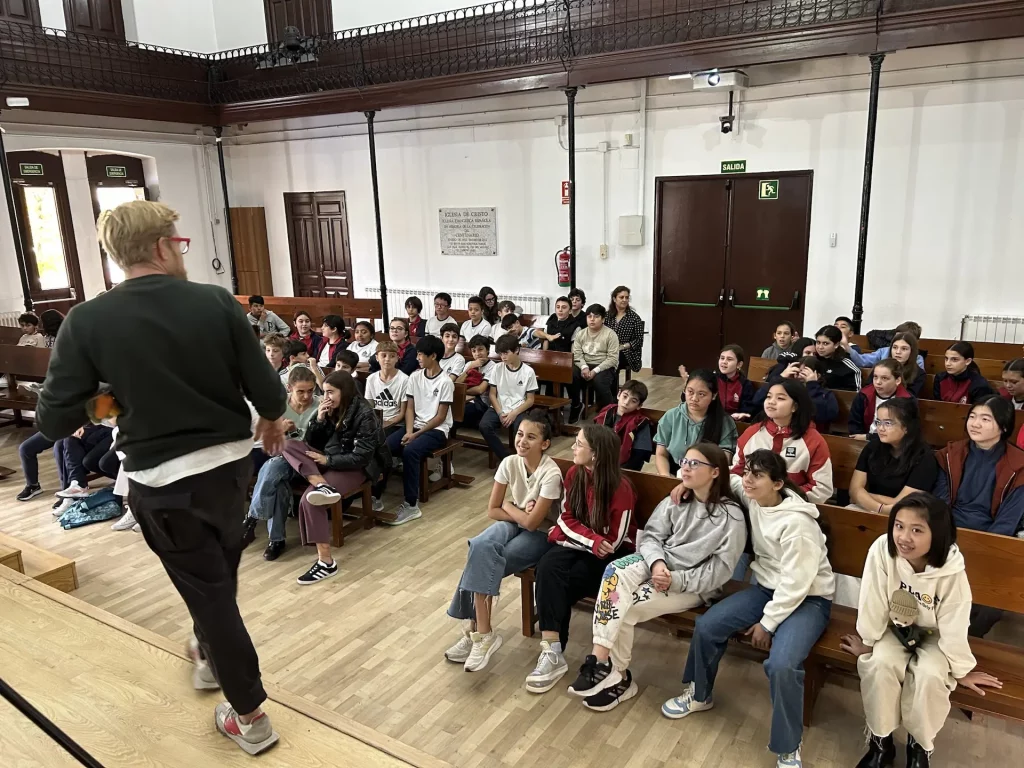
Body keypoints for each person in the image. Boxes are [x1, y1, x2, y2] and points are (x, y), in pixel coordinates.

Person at [35, 200, 286, 754]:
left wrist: (111, 403)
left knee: (211, 591)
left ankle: (250, 716)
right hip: (231, 472)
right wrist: (269, 422)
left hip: (163, 483)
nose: (182, 251)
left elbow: (54, 419)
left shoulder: (88, 320)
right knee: (215, 576)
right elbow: (269, 393)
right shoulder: (216, 302)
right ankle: (207, 651)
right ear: (158, 246)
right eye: (179, 242)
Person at [663, 449, 834, 768]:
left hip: (809, 599)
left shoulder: (798, 524)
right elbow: (712, 472)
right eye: (748, 472)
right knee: (707, 626)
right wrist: (684, 482)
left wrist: (768, 624)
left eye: (758, 475)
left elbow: (797, 583)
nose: (748, 479)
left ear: (778, 484)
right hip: (767, 589)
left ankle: (788, 745)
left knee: (782, 663)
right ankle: (700, 694)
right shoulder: (751, 492)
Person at [569, 443, 746, 711]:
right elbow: (651, 535)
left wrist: (676, 580)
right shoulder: (676, 499)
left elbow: (720, 571)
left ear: (715, 472)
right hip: (657, 564)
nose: (685, 467)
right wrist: (657, 563)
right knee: (614, 571)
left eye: (694, 464)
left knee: (626, 607)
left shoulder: (730, 517)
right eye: (684, 461)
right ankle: (601, 661)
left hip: (690, 584)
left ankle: (620, 679)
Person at [841, 494, 1001, 768]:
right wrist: (868, 642)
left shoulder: (950, 569)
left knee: (930, 675)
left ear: (936, 534)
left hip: (935, 636)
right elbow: (873, 600)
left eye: (917, 530)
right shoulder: (882, 550)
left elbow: (955, 621)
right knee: (879, 665)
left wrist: (961, 670)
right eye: (899, 526)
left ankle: (919, 747)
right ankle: (881, 743)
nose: (904, 537)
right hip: (895, 627)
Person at [444, 410, 561, 672]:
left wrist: (509, 505)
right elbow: (493, 510)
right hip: (513, 521)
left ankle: (477, 632)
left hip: (542, 534)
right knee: (480, 547)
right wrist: (512, 507)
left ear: (544, 444)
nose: (522, 441)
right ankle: (483, 634)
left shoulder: (551, 474)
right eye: (520, 434)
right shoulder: (509, 463)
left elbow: (534, 524)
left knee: (485, 559)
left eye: (531, 437)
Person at [526, 425, 637, 694]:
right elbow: (566, 518)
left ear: (596, 454)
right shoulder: (575, 473)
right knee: (548, 566)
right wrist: (586, 539)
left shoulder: (621, 488)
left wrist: (564, 536)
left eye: (579, 444)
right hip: (587, 545)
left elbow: (613, 543)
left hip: (611, 557)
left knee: (564, 579)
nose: (573, 448)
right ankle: (552, 651)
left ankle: (562, 651)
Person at [281, 370, 389, 585]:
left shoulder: (364, 415)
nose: (325, 397)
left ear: (345, 391)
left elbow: (361, 457)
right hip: (332, 457)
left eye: (330, 392)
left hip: (360, 467)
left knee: (309, 501)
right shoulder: (331, 409)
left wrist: (326, 461)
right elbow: (314, 442)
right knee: (287, 443)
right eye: (325, 392)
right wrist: (319, 420)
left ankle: (326, 562)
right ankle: (322, 485)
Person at [934, 395, 1024, 637]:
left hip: (989, 538)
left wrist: (978, 549)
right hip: (948, 531)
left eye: (985, 419)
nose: (975, 424)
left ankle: (966, 641)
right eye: (972, 417)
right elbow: (939, 504)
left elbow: (1007, 521)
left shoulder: (1019, 466)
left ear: (1003, 426)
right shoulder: (951, 454)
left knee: (991, 594)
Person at [243, 367, 322, 560]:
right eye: (300, 391)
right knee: (277, 481)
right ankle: (276, 540)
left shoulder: (320, 407)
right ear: (289, 388)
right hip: (280, 459)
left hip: (307, 463)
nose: (306, 396)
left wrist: (293, 434)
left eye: (310, 390)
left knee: (272, 467)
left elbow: (315, 445)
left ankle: (252, 518)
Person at [384, 336, 454, 525]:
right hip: (414, 426)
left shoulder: (445, 382)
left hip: (437, 430)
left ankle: (411, 505)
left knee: (411, 451)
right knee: (384, 447)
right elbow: (410, 408)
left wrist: (415, 435)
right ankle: (375, 495)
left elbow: (440, 417)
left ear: (433, 356)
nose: (418, 358)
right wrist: (408, 431)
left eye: (421, 355)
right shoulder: (415, 376)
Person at [732, 380, 834, 504]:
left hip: (792, 509)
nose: (771, 401)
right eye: (769, 396)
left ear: (795, 406)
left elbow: (821, 488)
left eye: (780, 398)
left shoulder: (814, 441)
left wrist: (778, 498)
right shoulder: (751, 433)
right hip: (750, 504)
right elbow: (736, 473)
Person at [850, 399, 939, 516]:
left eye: (888, 423)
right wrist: (880, 508)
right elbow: (854, 490)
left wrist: (864, 496)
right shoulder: (872, 447)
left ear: (906, 427)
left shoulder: (924, 458)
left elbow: (903, 503)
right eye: (878, 422)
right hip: (869, 508)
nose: (880, 428)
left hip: (906, 515)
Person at [655, 368, 737, 476]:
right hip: (674, 474)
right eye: (690, 392)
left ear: (714, 395)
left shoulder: (724, 422)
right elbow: (661, 454)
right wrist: (666, 476)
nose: (694, 398)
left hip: (707, 477)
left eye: (701, 394)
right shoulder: (671, 416)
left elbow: (723, 461)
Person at [479, 335, 538, 460]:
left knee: (521, 429)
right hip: (499, 406)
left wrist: (514, 413)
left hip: (518, 408)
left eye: (506, 353)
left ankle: (522, 460)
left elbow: (530, 400)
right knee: (484, 425)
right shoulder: (497, 368)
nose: (503, 357)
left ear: (516, 350)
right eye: (500, 354)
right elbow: (492, 394)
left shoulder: (528, 371)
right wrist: (500, 413)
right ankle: (505, 458)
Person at [568, 304, 620, 423]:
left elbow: (612, 359)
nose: (592, 319)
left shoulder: (610, 334)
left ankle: (609, 412)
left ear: (603, 319)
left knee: (599, 382)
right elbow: (576, 353)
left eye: (596, 317)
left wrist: (595, 371)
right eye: (589, 316)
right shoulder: (581, 333)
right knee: (570, 375)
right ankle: (576, 405)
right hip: (584, 364)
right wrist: (584, 367)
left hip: (604, 366)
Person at [594, 380, 655, 470]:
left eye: (633, 401)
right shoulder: (606, 412)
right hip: (599, 463)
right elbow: (592, 441)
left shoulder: (640, 422)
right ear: (619, 394)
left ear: (639, 405)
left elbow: (639, 456)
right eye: (625, 396)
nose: (626, 402)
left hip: (625, 469)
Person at [849, 358, 913, 439]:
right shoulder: (863, 395)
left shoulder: (907, 400)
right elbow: (854, 427)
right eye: (875, 377)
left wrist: (868, 437)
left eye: (884, 378)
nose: (878, 382)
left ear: (897, 380)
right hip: (865, 443)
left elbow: (905, 433)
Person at [365, 341, 409, 440]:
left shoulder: (404, 379)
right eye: (383, 356)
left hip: (396, 424)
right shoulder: (371, 379)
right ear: (377, 358)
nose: (387, 359)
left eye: (392, 356)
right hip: (377, 422)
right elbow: (369, 407)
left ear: (397, 358)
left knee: (378, 440)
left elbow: (402, 413)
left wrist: (387, 423)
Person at [453, 334, 493, 435]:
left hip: (482, 404)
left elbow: (480, 390)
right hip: (466, 400)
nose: (477, 354)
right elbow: (456, 384)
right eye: (474, 351)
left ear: (487, 350)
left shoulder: (493, 367)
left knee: (456, 413)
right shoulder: (470, 364)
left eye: (480, 350)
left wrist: (463, 390)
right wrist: (469, 368)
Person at [845, 321, 925, 369]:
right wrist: (847, 347)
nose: (898, 351)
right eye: (897, 337)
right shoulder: (884, 351)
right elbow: (862, 361)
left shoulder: (918, 359)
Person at [605, 285, 644, 375]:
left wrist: (623, 346)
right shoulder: (607, 316)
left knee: (612, 360)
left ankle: (611, 387)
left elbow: (639, 341)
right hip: (608, 349)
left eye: (627, 297)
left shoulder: (634, 318)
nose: (624, 300)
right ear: (614, 299)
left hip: (627, 353)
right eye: (621, 297)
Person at [815, 325, 862, 391]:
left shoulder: (846, 364)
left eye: (825, 343)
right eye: (818, 342)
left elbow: (855, 393)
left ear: (836, 344)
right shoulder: (813, 359)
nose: (820, 347)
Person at [717, 344, 756, 421]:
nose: (724, 362)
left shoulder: (745, 384)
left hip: (734, 423)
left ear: (739, 364)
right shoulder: (712, 379)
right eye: (722, 358)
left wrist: (741, 415)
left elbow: (747, 409)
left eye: (729, 359)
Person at [887, 331, 925, 397]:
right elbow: (867, 389)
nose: (898, 352)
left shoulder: (919, 374)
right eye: (895, 347)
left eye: (904, 349)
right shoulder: (880, 367)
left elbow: (909, 397)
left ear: (912, 351)